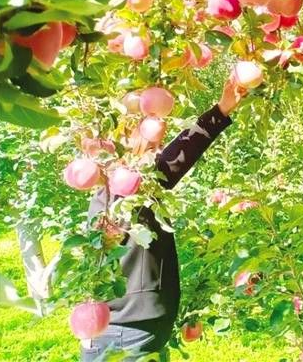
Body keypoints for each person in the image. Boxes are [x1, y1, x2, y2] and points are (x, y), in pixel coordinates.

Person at [80, 76, 248, 361]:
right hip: (128, 327)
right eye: (153, 145)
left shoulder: (108, 191)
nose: (159, 151)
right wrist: (220, 111)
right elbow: (177, 156)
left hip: (117, 324)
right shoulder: (129, 186)